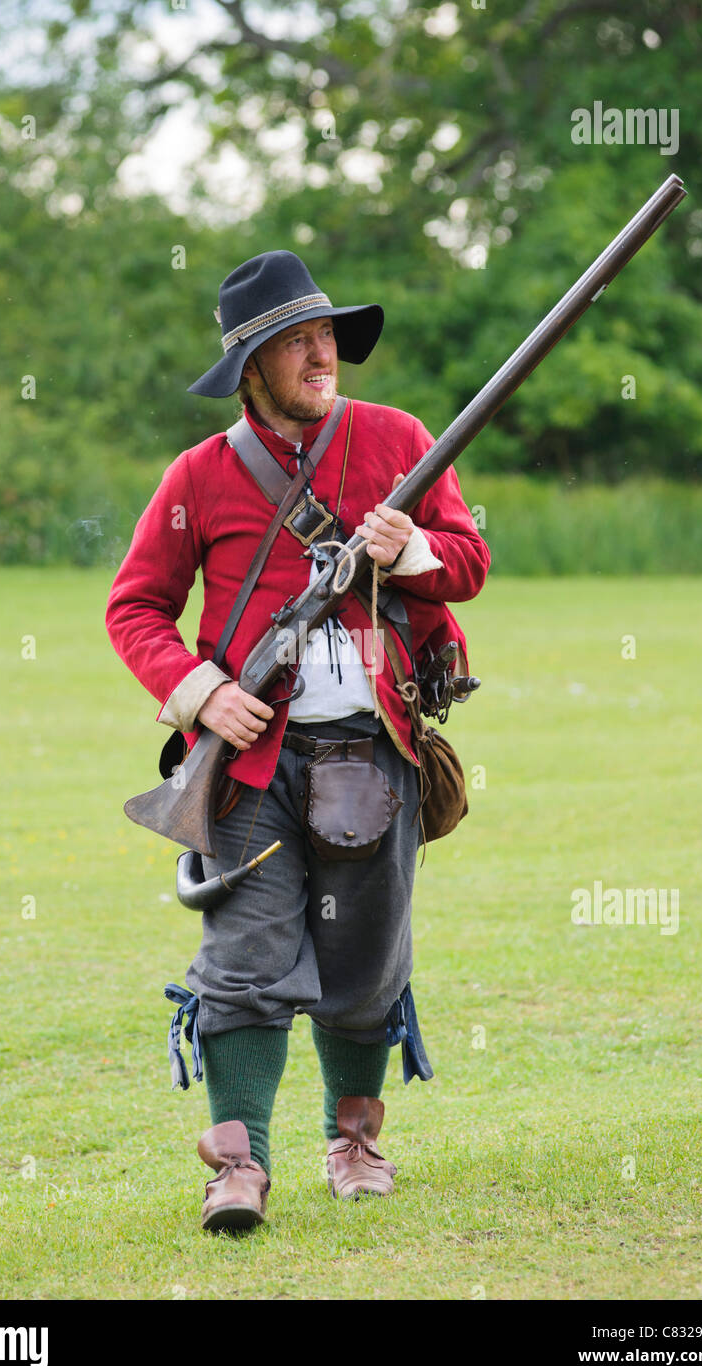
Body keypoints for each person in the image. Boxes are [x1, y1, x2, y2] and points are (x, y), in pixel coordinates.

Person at [106, 249, 490, 1233]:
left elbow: (467, 561)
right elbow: (135, 605)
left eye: (326, 335)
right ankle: (237, 1166)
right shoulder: (199, 474)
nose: (322, 353)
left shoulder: (398, 438)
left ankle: (352, 1140)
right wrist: (198, 693)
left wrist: (410, 551)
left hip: (373, 752)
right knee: (242, 960)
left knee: (364, 961)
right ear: (251, 368)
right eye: (296, 341)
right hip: (249, 769)